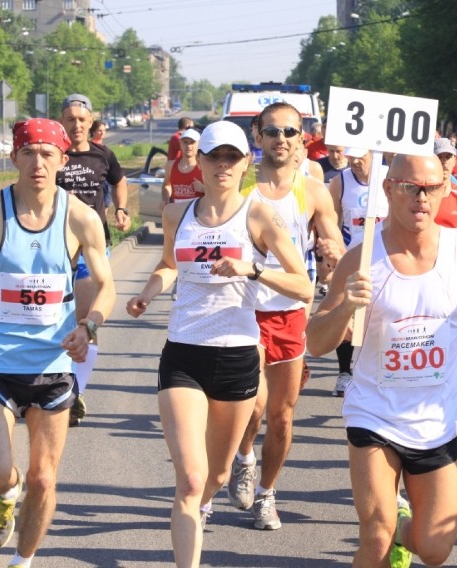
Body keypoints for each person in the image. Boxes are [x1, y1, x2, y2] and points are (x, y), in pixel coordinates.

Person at [306, 154, 457, 568]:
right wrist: (345, 308)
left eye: (432, 188)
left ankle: (401, 526)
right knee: (375, 539)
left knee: (434, 550)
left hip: (437, 418)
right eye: (410, 187)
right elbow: (316, 341)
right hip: (374, 413)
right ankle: (385, 529)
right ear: (388, 189)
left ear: (444, 190)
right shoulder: (362, 260)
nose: (421, 197)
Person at [126, 121, 311, 567]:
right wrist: (149, 290)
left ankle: (209, 499)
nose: (223, 165)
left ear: (246, 163)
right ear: (200, 163)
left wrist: (252, 270)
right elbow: (170, 264)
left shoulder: (259, 215)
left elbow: (303, 287)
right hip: (183, 352)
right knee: (190, 479)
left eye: (232, 157)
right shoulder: (177, 214)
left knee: (218, 473)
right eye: (215, 157)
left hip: (236, 355)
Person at [0, 119, 115, 567]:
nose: (37, 163)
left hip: (53, 366)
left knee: (45, 480)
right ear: (14, 158)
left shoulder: (81, 218)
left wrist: (89, 326)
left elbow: (106, 286)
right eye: (28, 152)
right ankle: (6, 494)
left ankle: (23, 560)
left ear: (62, 161)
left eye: (47, 154)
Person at [227, 102, 345, 530]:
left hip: (291, 314)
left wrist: (332, 255)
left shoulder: (313, 191)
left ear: (301, 138)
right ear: (257, 136)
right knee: (253, 407)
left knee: (281, 417)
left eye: (289, 132)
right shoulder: (240, 189)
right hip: (243, 310)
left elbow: (333, 248)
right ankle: (243, 457)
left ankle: (267, 494)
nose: (280, 139)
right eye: (272, 131)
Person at [57, 93, 130, 426]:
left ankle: (74, 390)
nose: (76, 125)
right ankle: (50, 381)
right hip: (55, 247)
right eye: (70, 119)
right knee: (53, 317)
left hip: (92, 247)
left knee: (86, 319)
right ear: (62, 121)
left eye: (81, 120)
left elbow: (120, 181)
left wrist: (122, 209)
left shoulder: (103, 155)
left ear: (91, 122)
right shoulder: (53, 154)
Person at [327, 147, 389, 397]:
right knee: (345, 315)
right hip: (350, 259)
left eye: (359, 156)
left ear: (373, 154)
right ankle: (344, 372)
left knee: (380, 317)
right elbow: (332, 222)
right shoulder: (339, 182)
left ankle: (379, 372)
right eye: (351, 156)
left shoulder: (389, 177)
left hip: (384, 259)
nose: (353, 161)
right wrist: (332, 260)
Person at [162, 128, 204, 207]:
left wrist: (203, 189)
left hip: (198, 215)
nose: (188, 146)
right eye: (185, 142)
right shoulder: (170, 165)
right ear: (180, 144)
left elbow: (218, 192)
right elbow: (167, 185)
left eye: (192, 142)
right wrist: (165, 200)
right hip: (178, 215)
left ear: (198, 144)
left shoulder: (204, 166)